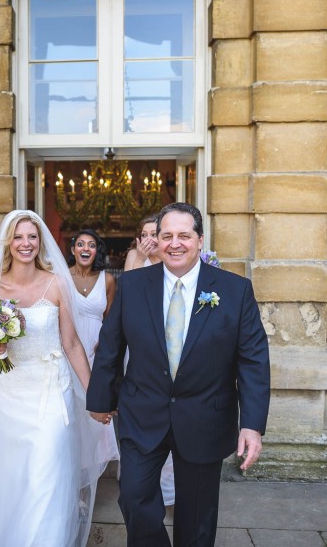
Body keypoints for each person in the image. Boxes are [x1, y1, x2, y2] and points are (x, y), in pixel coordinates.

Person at [86, 202, 270, 547]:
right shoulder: (133, 285)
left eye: (184, 235)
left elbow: (253, 360)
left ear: (199, 240)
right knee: (135, 499)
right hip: (142, 412)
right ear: (156, 240)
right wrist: (100, 399)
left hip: (205, 415)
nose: (175, 243)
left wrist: (252, 424)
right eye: (166, 235)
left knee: (197, 517)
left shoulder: (235, 290)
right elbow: (111, 345)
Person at [0, 210, 113, 547]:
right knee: (14, 475)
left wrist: (96, 395)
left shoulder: (56, 282)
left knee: (47, 472)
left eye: (32, 237)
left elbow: (72, 344)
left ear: (41, 241)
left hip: (52, 390)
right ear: (8, 242)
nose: (26, 243)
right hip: (12, 391)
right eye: (19, 237)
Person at [122, 215, 175, 505]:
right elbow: (126, 296)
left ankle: (169, 486)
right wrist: (140, 258)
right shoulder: (135, 256)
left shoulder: (172, 259)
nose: (149, 239)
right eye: (144, 234)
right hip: (139, 344)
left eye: (154, 233)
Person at [68, 229, 120, 466]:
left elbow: (111, 318)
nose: (85, 249)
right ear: (73, 250)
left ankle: (91, 466)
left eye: (91, 245)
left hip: (96, 350)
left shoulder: (107, 280)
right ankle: (70, 466)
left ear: (96, 250)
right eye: (81, 244)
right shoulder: (61, 278)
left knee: (93, 404)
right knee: (72, 405)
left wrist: (105, 344)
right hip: (69, 347)